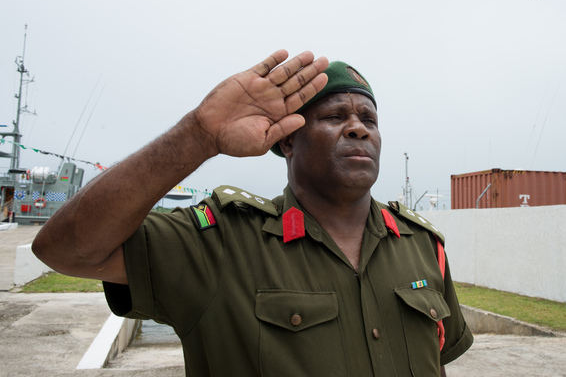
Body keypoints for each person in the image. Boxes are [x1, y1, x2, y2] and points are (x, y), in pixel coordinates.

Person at [32, 50, 472, 376]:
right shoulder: (222, 241)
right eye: (335, 115)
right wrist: (199, 135)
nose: (358, 127)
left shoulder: (422, 248)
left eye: (368, 120)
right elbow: (66, 250)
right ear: (287, 141)